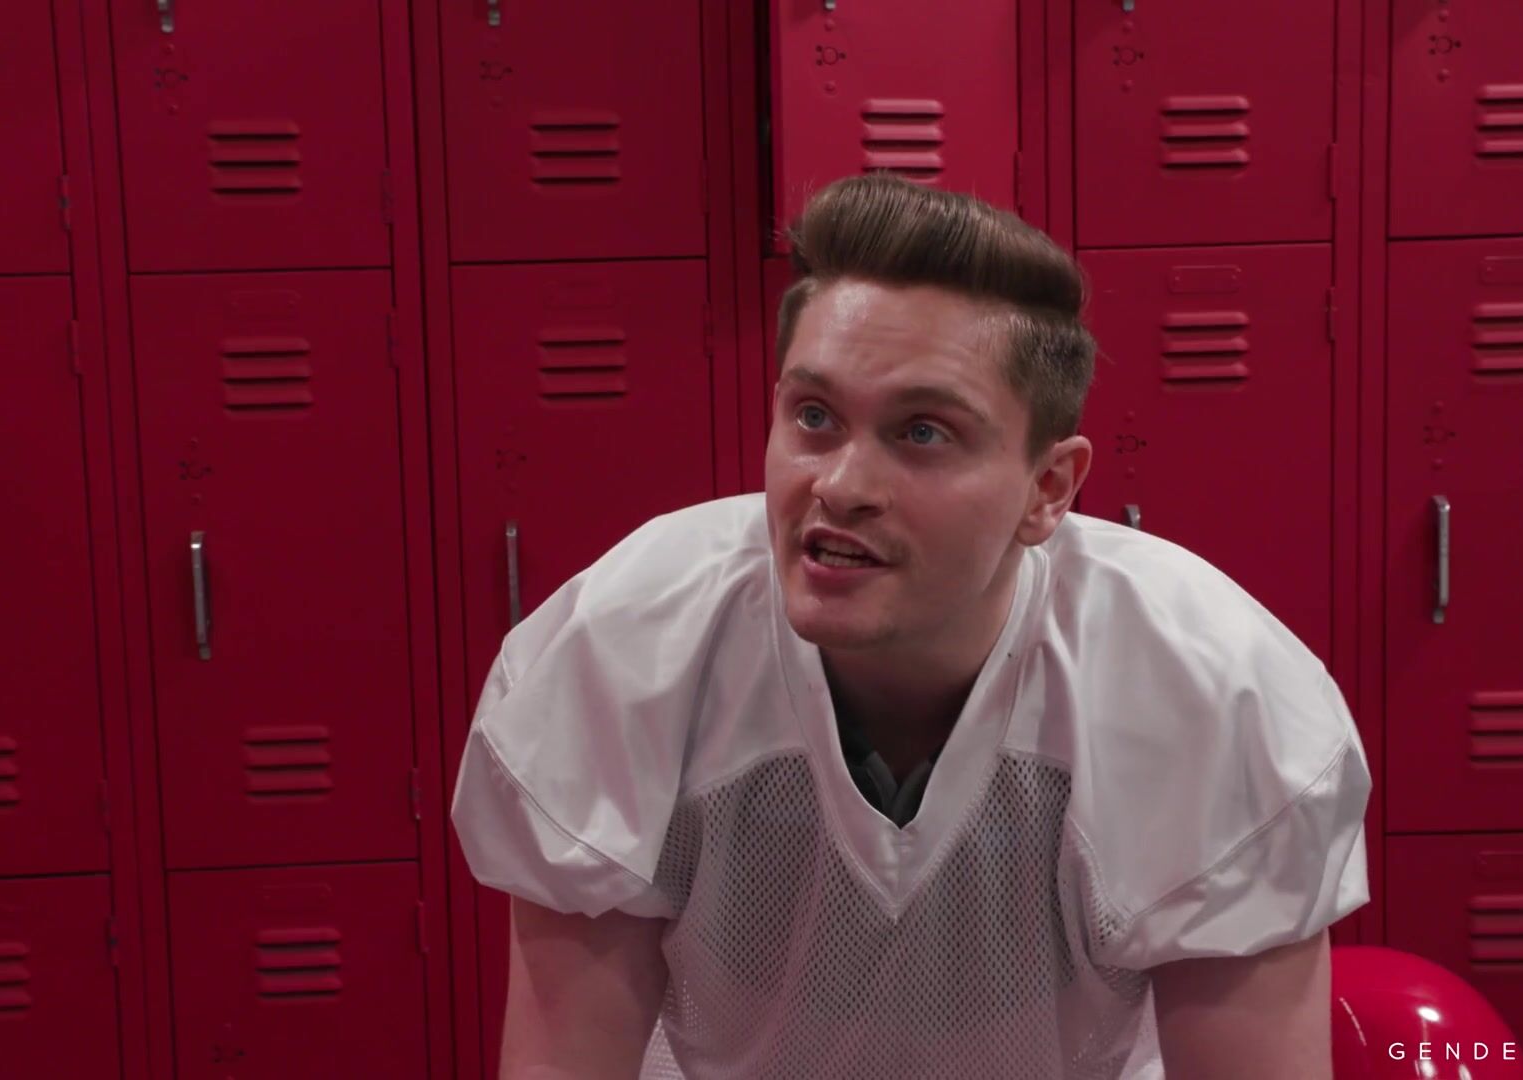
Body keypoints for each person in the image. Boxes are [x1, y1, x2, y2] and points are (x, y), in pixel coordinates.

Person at [450, 173, 1371, 1079]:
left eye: (922, 432)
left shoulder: (1209, 684)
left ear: (1048, 489)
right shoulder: (627, 643)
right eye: (814, 416)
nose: (840, 486)